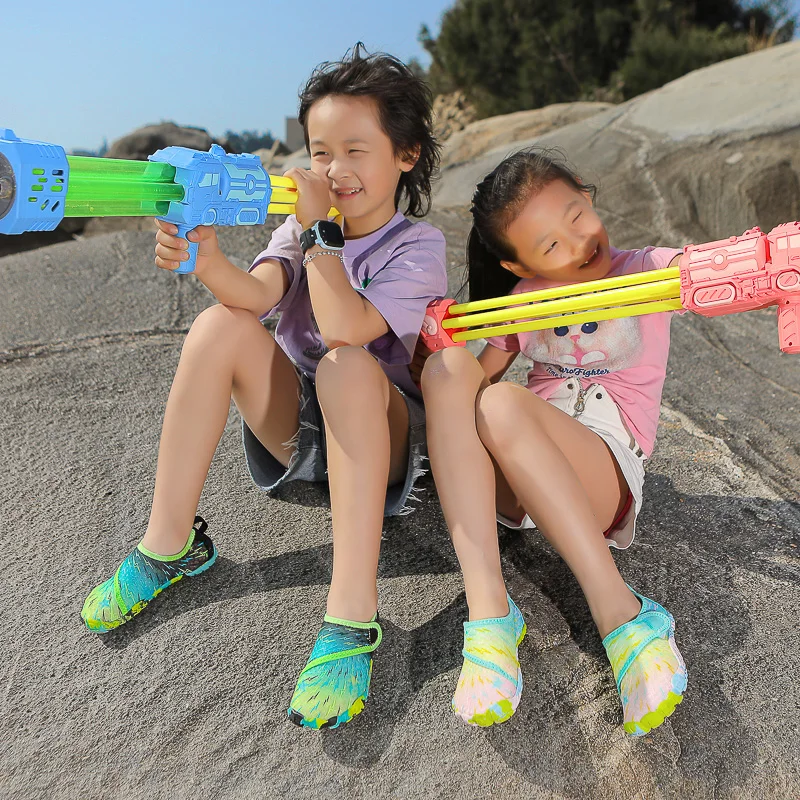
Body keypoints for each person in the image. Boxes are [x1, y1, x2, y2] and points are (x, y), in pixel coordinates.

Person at [81, 45, 447, 731]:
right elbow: (254, 296)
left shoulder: (416, 246)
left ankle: (352, 616)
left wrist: (320, 234)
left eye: (355, 151)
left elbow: (345, 329)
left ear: (406, 155)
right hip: (302, 437)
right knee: (219, 327)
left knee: (345, 365)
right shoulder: (300, 226)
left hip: (381, 446)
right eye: (319, 151)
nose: (333, 171)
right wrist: (206, 258)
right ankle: (169, 546)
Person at [418, 149, 687, 735]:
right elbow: (476, 383)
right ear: (517, 267)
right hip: (522, 487)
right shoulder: (522, 301)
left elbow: (720, 275)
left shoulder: (652, 270)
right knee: (450, 374)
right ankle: (489, 613)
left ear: (588, 196)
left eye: (575, 215)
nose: (577, 242)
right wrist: (438, 347)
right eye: (549, 246)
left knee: (500, 402)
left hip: (603, 473)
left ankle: (623, 615)